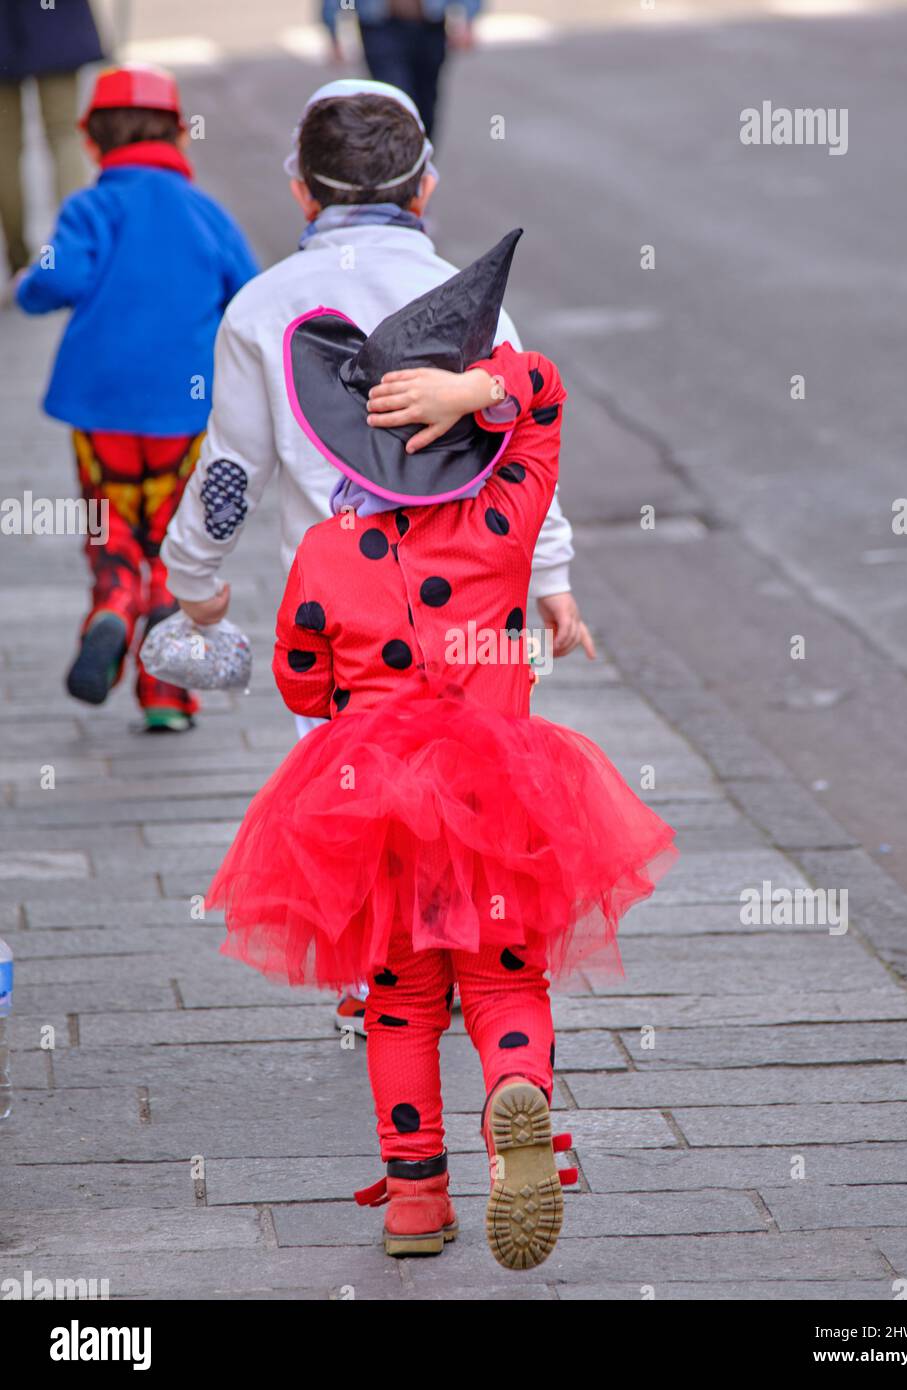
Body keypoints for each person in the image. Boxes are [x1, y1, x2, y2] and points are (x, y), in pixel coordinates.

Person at [206, 232, 677, 1267]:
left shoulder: (327, 553)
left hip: (371, 800)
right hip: (501, 788)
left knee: (400, 1000)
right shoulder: (502, 521)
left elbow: (298, 677)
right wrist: (477, 389)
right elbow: (542, 394)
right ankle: (516, 1097)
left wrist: (341, 693)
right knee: (507, 979)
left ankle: (415, 1200)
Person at [161, 79, 591, 1016]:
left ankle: (380, 979)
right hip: (474, 606)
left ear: (301, 192)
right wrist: (550, 574)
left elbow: (231, 472)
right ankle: (478, 969)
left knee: (358, 800)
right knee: (469, 794)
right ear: (425, 187)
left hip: (342, 618)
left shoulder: (262, 307)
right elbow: (519, 440)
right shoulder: (465, 298)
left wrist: (192, 576)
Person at [16, 64, 259, 730]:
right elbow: (252, 293)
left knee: (111, 524)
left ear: (91, 142)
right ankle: (166, 697)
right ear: (180, 135)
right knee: (179, 539)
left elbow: (53, 277)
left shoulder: (90, 207)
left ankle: (113, 605)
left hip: (101, 410)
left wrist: (27, 285)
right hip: (186, 413)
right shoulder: (205, 212)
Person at [0, 0, 104, 277]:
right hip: (55, 18)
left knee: (5, 146)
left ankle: (19, 263)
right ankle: (74, 252)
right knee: (64, 134)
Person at [320, 0, 480, 140]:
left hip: (429, 25)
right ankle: (398, 164)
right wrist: (333, 30)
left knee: (426, 102)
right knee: (394, 98)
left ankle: (421, 160)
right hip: (379, 26)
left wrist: (469, 19)